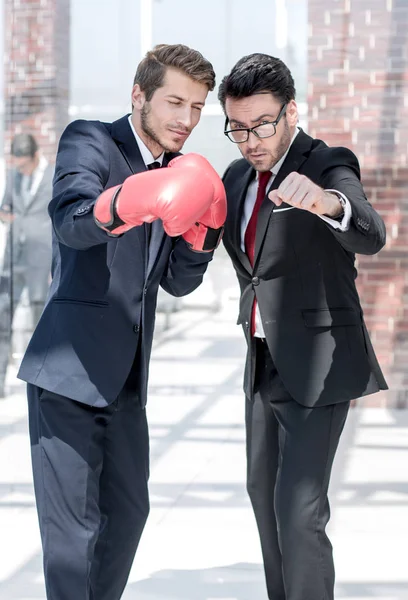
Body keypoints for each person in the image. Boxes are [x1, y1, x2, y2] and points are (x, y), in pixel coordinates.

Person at [18, 44, 226, 600]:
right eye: (175, 102)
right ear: (140, 96)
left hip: (127, 384)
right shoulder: (91, 139)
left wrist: (205, 233)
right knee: (71, 539)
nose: (186, 119)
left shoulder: (178, 173)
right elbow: (71, 221)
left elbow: (177, 282)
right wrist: (129, 201)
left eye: (198, 108)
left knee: (129, 517)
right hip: (67, 371)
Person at [219, 53, 388, 600]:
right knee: (263, 501)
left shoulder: (327, 161)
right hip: (262, 363)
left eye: (263, 124)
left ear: (291, 111)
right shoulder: (237, 176)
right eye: (237, 127)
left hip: (318, 363)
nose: (250, 139)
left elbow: (368, 229)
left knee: (298, 511)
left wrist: (324, 203)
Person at [0, 133, 53, 398]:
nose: (18, 168)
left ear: (34, 157)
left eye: (22, 164)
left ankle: (41, 384)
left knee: (39, 322)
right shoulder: (12, 175)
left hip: (39, 261)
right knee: (2, 319)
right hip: (13, 259)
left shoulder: (52, 176)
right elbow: (5, 207)